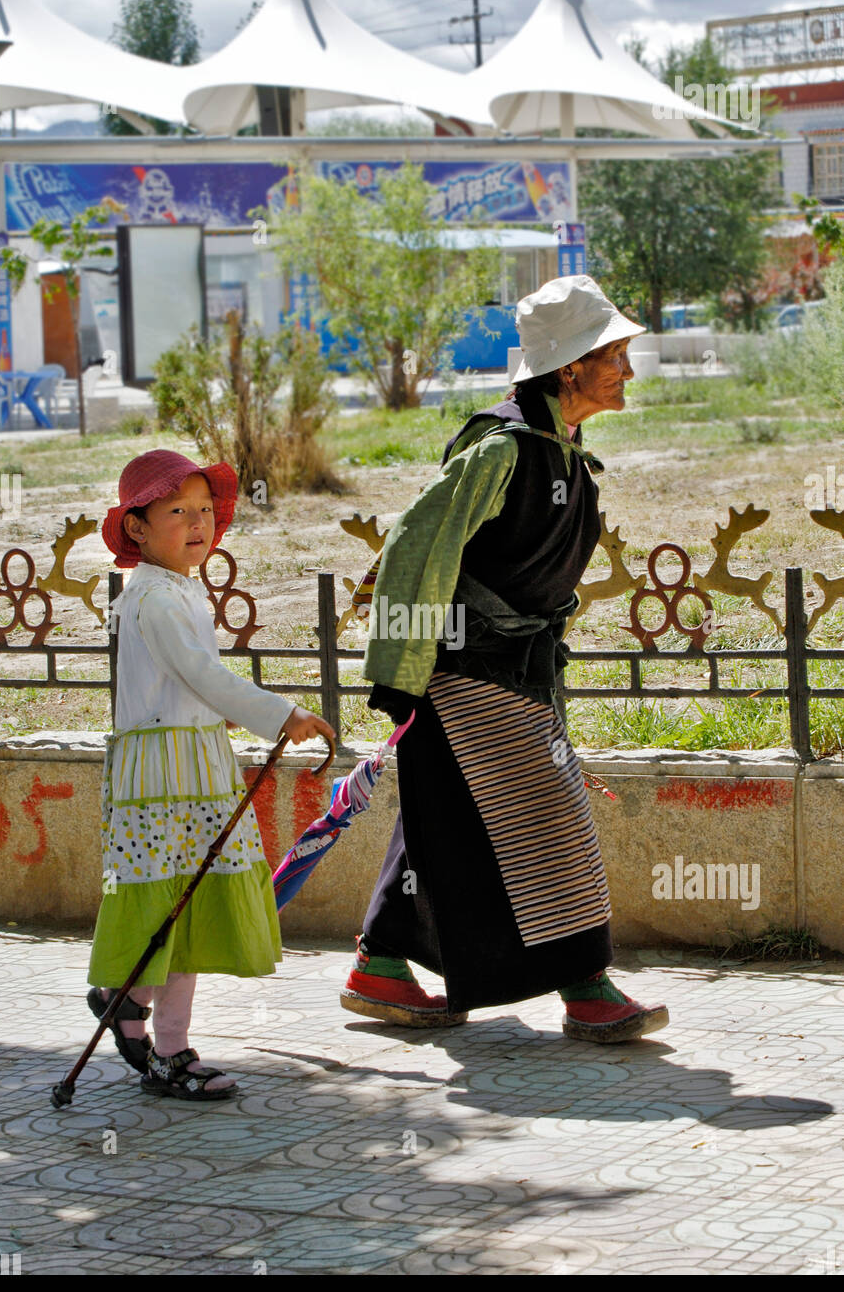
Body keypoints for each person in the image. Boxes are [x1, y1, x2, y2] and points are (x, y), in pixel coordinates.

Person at [341, 275, 669, 1043]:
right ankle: (586, 986)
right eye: (613, 354)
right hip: (467, 673)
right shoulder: (501, 448)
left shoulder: (563, 451)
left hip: (514, 674)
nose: (627, 368)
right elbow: (415, 546)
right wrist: (398, 674)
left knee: (445, 823)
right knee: (555, 821)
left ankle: (379, 966)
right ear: (569, 369)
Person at [88, 449, 335, 1100]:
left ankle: (136, 1013)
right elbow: (202, 675)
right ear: (136, 527)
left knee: (184, 911)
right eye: (177, 511)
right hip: (163, 782)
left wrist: (211, 716)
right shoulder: (156, 600)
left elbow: (180, 685)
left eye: (204, 510)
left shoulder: (175, 590)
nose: (197, 523)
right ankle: (158, 1041)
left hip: (193, 769)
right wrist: (279, 714)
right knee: (165, 907)